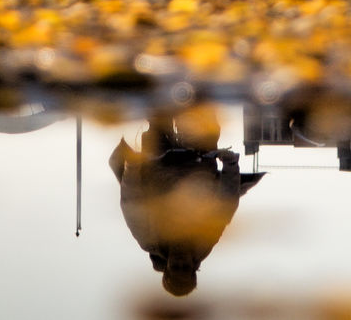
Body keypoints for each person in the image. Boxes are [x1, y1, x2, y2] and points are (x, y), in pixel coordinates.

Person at [107, 108, 262, 296]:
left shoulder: (149, 239)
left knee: (159, 113)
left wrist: (132, 165)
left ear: (167, 268)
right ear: (193, 267)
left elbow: (132, 200)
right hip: (198, 162)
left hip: (159, 162)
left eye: (176, 267)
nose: (180, 261)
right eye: (185, 267)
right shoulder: (205, 240)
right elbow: (226, 202)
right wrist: (230, 165)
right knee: (203, 116)